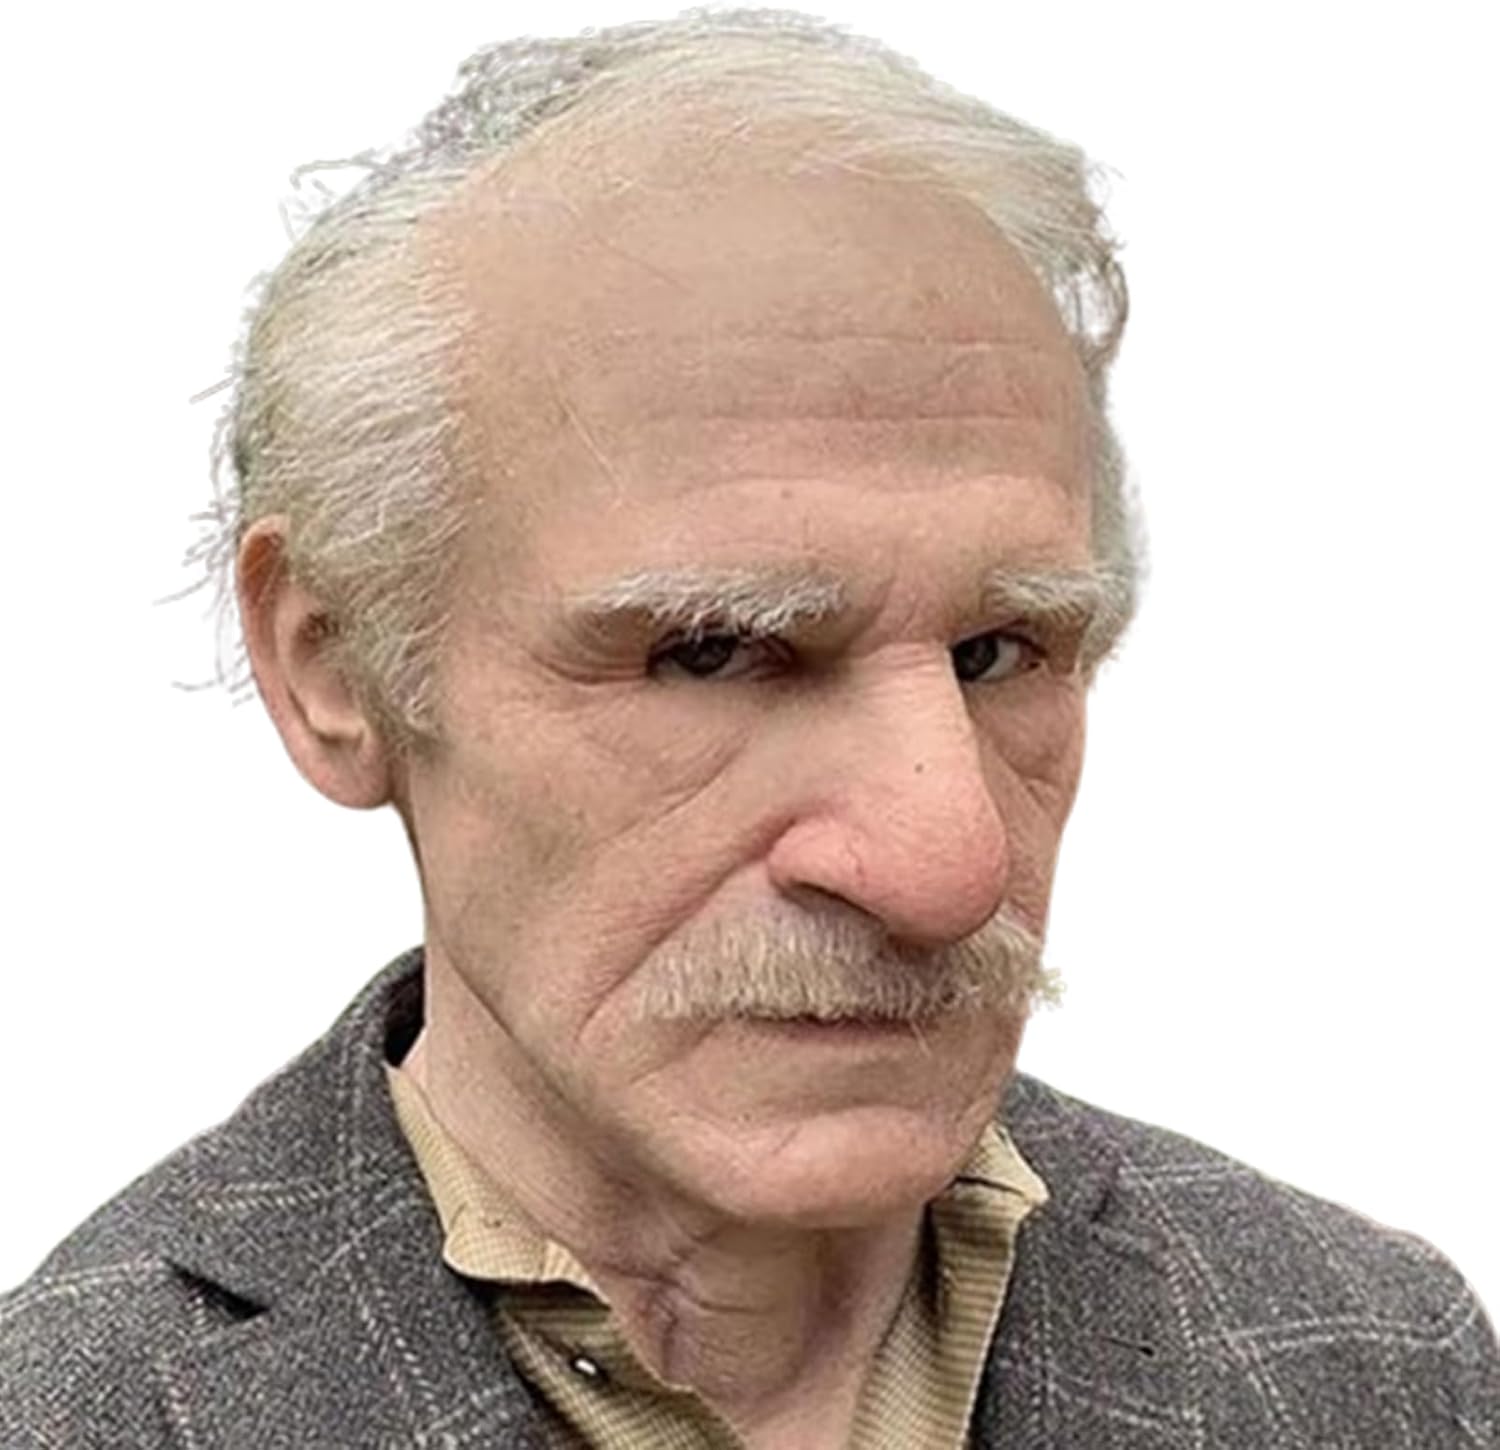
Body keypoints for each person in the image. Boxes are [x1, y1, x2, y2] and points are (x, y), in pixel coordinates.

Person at [2, 9, 1495, 1447]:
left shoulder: (1377, 1366)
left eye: (997, 653)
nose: (950, 863)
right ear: (332, 664)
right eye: (716, 653)